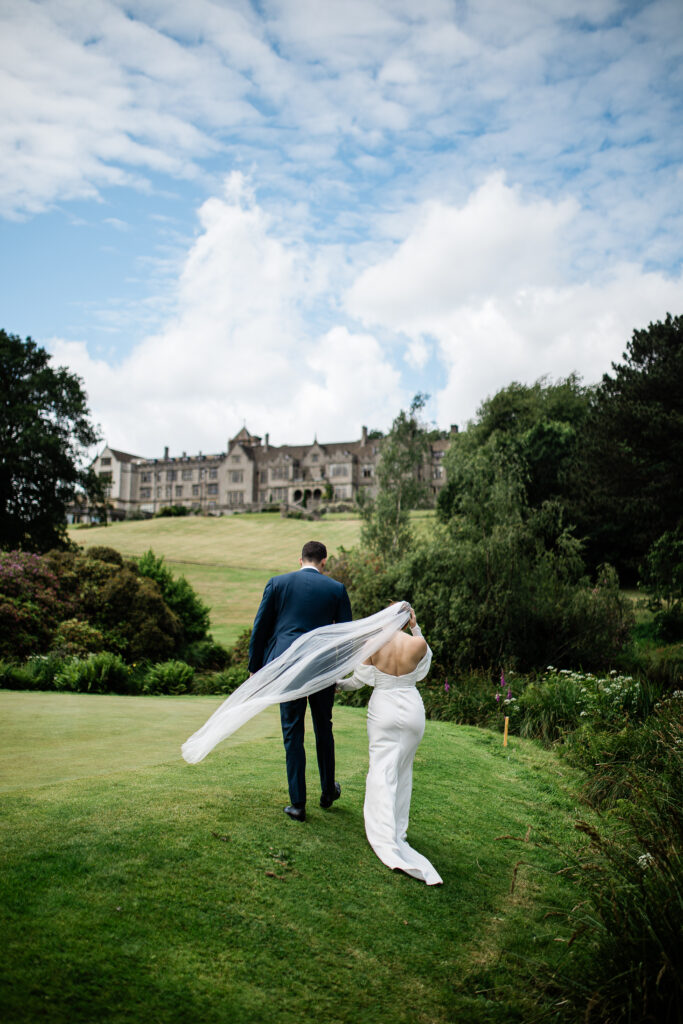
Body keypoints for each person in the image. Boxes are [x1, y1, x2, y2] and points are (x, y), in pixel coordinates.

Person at [248, 540, 352, 822]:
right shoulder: (336, 589)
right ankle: (328, 791)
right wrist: (339, 671)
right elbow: (345, 636)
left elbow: (261, 627)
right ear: (324, 562)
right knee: (323, 728)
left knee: (293, 731)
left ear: (300, 559)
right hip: (322, 669)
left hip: (288, 669)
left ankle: (298, 804)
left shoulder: (277, 583)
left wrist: (255, 667)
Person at [338, 606, 442, 885]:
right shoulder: (417, 643)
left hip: (383, 708)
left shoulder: (372, 644)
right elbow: (422, 670)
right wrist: (416, 628)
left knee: (380, 769)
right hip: (411, 711)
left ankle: (383, 832)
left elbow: (359, 681)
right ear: (406, 620)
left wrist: (337, 685)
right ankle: (398, 830)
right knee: (403, 770)